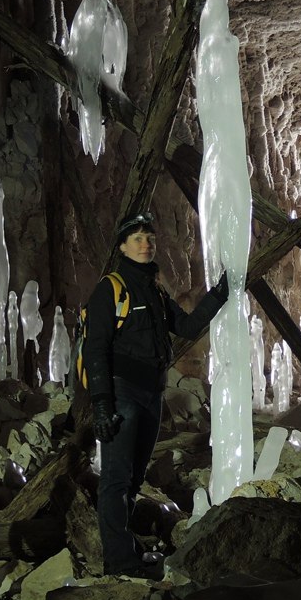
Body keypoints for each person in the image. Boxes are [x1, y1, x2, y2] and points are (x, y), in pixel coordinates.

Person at [81, 210, 229, 578]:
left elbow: (189, 325)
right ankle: (119, 561)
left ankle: (127, 552)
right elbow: (95, 349)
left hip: (150, 394)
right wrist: (102, 406)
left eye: (149, 238)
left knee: (132, 479)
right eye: (137, 239)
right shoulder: (110, 289)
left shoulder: (156, 291)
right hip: (122, 394)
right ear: (123, 246)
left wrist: (222, 291)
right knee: (116, 478)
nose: (145, 244)